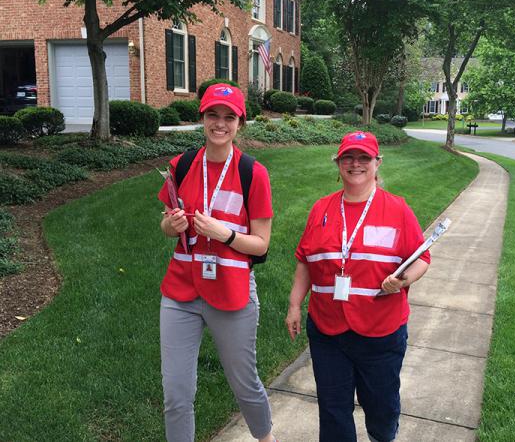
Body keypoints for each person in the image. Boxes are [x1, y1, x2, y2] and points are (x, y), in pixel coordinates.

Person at [285, 131, 430, 442]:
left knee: (380, 408)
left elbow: (422, 258)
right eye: (348, 157)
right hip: (327, 330)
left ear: (377, 163)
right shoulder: (321, 209)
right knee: (333, 410)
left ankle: (383, 434)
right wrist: (295, 304)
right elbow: (305, 262)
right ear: (338, 163)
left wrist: (402, 280)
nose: (355, 164)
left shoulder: (397, 209)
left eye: (364, 157)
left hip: (381, 331)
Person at [158, 83, 276, 442]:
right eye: (213, 115)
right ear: (203, 118)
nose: (220, 124)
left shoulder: (253, 173)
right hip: (181, 292)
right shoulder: (182, 165)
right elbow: (166, 225)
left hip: (232, 292)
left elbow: (261, 245)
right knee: (176, 394)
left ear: (240, 122)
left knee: (245, 384)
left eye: (229, 117)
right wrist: (171, 224)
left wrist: (224, 234)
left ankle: (266, 438)